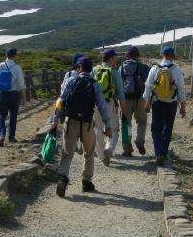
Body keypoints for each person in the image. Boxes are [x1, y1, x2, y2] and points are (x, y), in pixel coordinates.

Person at [54, 57, 112, 197]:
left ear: (79, 68)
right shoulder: (95, 84)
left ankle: (63, 178)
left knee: (67, 153)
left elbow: (61, 101)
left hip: (71, 121)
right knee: (89, 153)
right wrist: (107, 125)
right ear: (90, 69)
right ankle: (86, 182)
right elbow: (102, 107)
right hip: (87, 123)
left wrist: (55, 119)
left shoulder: (70, 81)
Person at [142, 46, 186, 166]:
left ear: (162, 55)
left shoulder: (155, 69)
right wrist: (183, 107)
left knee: (156, 128)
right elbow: (181, 89)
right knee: (168, 128)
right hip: (172, 103)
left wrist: (147, 102)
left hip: (158, 102)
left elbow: (148, 86)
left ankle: (158, 152)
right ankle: (164, 152)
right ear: (172, 56)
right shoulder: (177, 70)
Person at [92, 49, 126, 166]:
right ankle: (109, 150)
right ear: (110, 59)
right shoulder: (114, 72)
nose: (116, 59)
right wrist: (123, 108)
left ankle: (102, 155)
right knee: (114, 129)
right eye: (114, 57)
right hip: (109, 103)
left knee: (98, 129)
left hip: (96, 104)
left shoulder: (95, 70)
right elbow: (121, 92)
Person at [118, 46, 150, 156]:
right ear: (138, 55)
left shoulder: (121, 68)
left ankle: (127, 149)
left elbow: (118, 84)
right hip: (140, 98)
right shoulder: (143, 67)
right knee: (142, 122)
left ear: (127, 55)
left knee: (126, 123)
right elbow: (149, 83)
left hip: (125, 99)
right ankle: (140, 141)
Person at [0, 47, 26, 147]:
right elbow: (21, 84)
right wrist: (23, 96)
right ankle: (11, 137)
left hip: (2, 94)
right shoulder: (17, 68)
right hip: (14, 94)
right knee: (13, 116)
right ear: (15, 56)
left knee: (1, 115)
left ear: (6, 55)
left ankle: (1, 134)